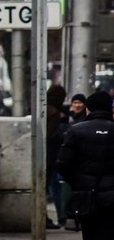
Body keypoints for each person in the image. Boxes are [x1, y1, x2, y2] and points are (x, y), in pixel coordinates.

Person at [55, 90, 114, 240]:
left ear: (88, 108)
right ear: (110, 109)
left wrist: (78, 183)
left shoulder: (76, 131)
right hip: (111, 199)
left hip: (85, 196)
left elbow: (62, 163)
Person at [45, 84, 68, 229]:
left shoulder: (44, 108)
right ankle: (46, 218)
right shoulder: (53, 113)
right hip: (50, 155)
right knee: (48, 186)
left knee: (46, 187)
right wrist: (64, 135)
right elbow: (51, 135)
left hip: (45, 155)